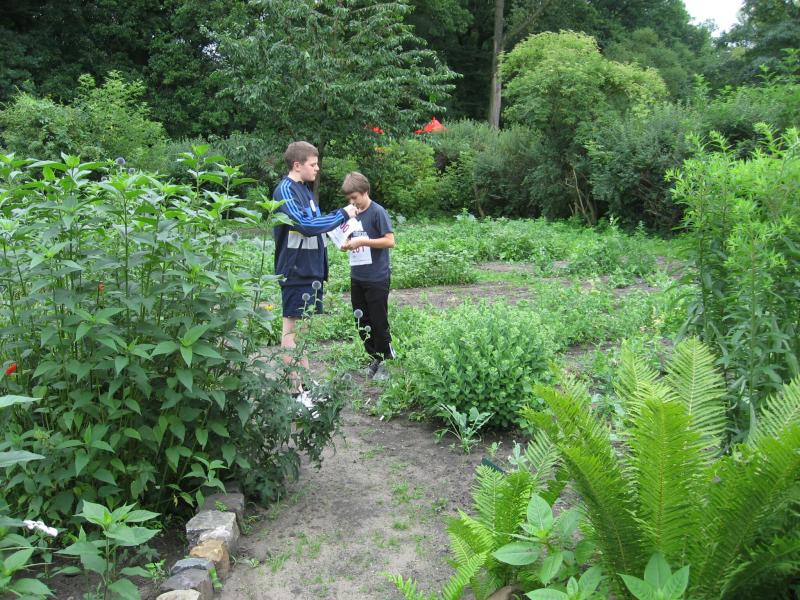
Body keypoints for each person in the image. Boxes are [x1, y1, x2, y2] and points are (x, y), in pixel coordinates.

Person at [273, 141, 357, 401]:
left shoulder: (306, 190)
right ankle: (293, 391)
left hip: (311, 271)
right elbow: (305, 225)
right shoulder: (285, 191)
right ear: (297, 165)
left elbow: (318, 224)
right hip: (295, 271)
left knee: (303, 331)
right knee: (290, 329)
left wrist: (341, 236)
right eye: (313, 164)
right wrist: (342, 214)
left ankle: (305, 385)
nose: (317, 168)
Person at [339, 172, 396, 380]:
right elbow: (349, 238)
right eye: (349, 199)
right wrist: (346, 244)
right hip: (358, 276)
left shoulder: (377, 212)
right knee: (361, 321)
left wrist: (363, 242)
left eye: (354, 197)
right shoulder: (351, 214)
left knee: (379, 320)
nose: (352, 202)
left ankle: (387, 359)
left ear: (365, 191)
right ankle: (374, 357)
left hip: (377, 277)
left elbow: (390, 241)